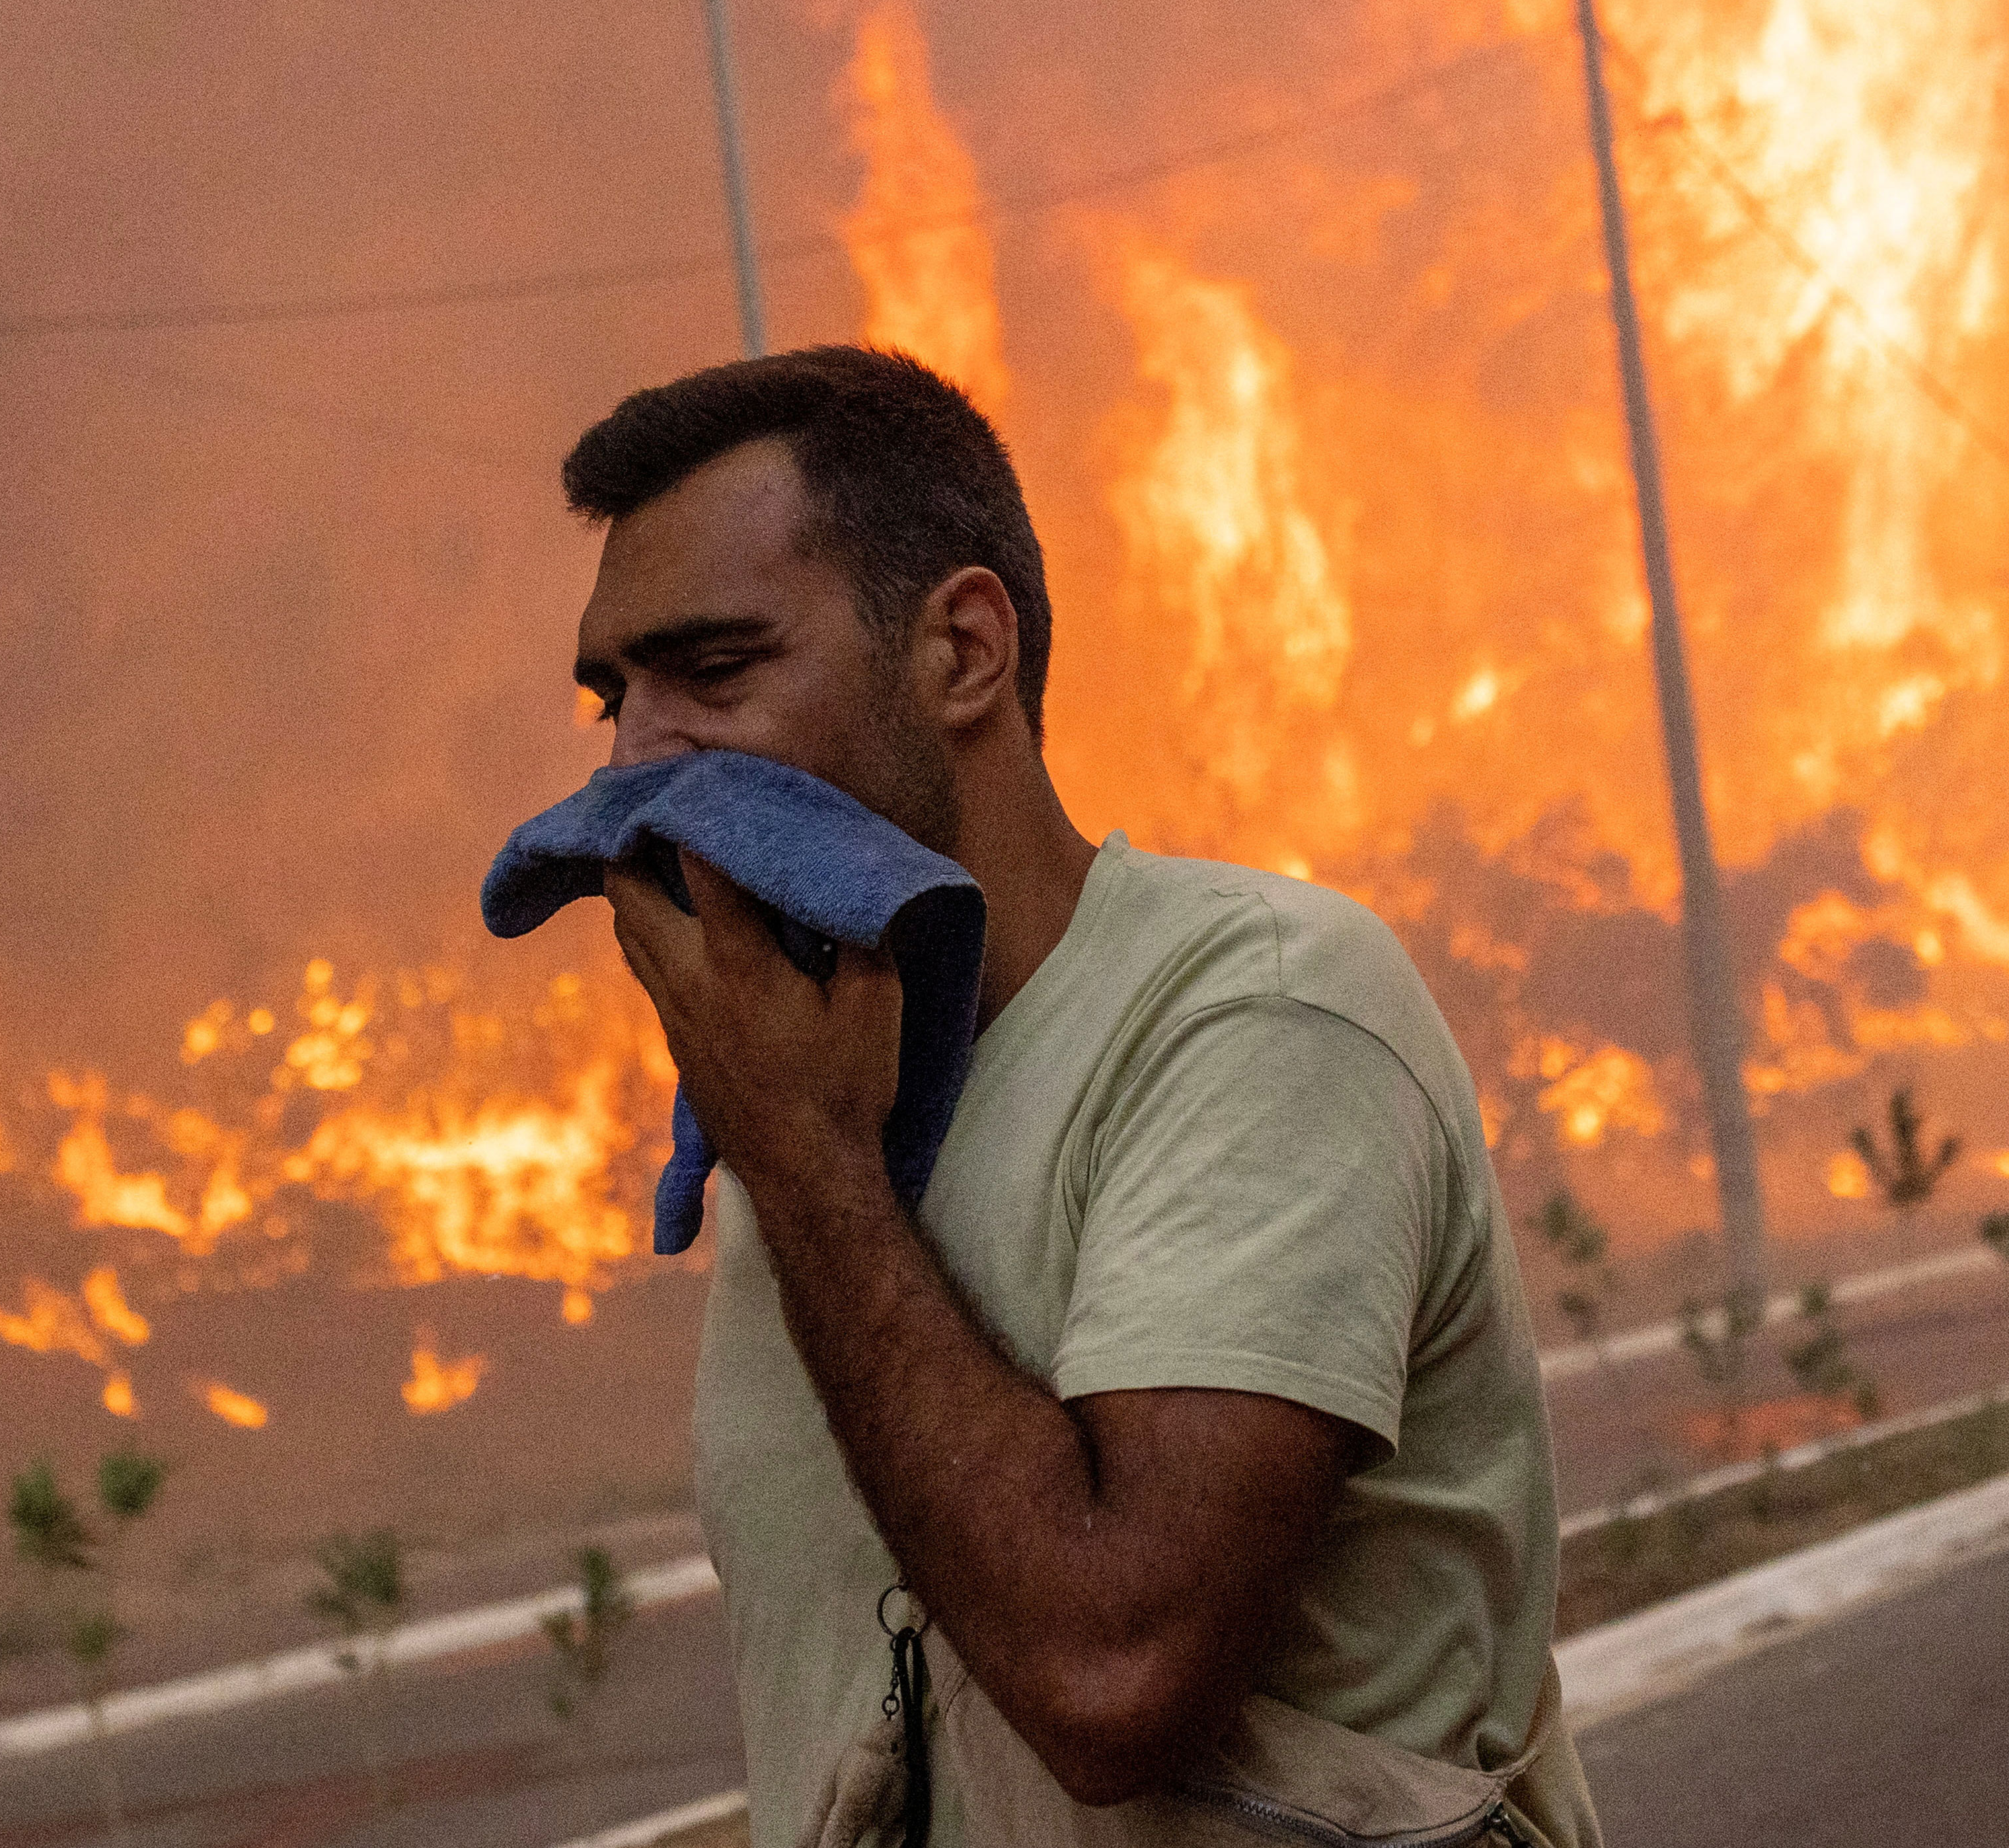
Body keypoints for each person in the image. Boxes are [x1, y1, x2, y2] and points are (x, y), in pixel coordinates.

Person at [558, 346, 1595, 1848]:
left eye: (714, 670)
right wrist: (805, 1148)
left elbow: (1117, 1672)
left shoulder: (1259, 1011)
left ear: (963, 649)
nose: (634, 756)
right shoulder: (814, 1096)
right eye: (612, 695)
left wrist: (811, 1161)